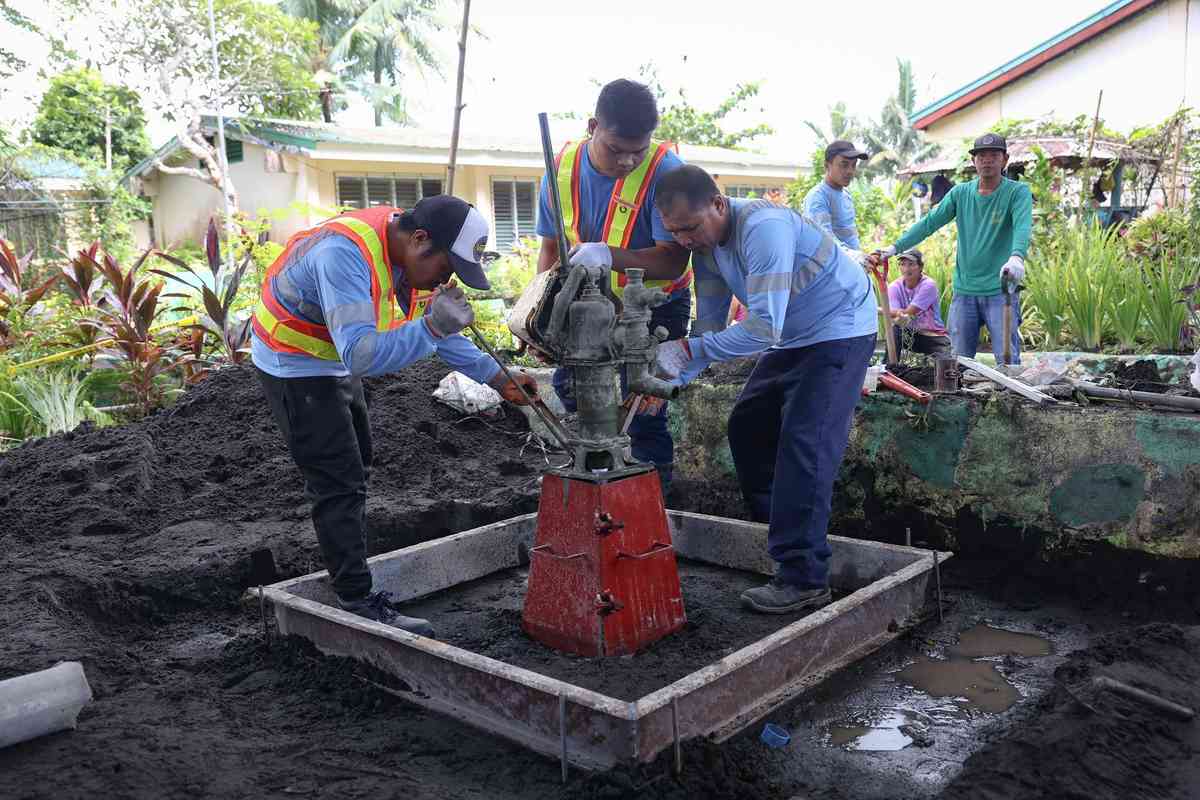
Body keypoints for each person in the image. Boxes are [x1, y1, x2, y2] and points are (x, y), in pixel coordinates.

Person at [251, 196, 539, 636]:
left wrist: (498, 377)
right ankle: (355, 599)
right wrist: (433, 326)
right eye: (446, 268)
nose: (444, 280)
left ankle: (348, 562)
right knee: (337, 479)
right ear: (421, 239)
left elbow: (434, 331)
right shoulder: (343, 256)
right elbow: (365, 355)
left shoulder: (408, 254)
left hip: (334, 356)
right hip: (294, 360)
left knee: (357, 462)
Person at [653, 165, 877, 614]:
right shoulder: (708, 250)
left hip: (840, 327)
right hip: (794, 336)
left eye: (690, 228)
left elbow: (759, 330)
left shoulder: (764, 228)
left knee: (805, 443)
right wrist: (665, 381)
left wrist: (682, 353)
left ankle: (804, 577)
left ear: (719, 204)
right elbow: (712, 330)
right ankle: (783, 534)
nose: (684, 241)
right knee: (748, 427)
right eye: (675, 232)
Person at [536, 78, 692, 487]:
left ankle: (654, 512)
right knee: (574, 393)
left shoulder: (666, 172)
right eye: (616, 149)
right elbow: (552, 249)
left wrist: (607, 254)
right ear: (593, 127)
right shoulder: (562, 167)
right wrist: (537, 314)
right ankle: (595, 493)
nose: (627, 161)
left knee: (644, 414)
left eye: (638, 151)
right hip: (587, 307)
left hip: (654, 306)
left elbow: (674, 261)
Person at [873, 132, 1032, 365]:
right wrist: (895, 247)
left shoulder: (1017, 192)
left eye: (994, 155)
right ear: (974, 161)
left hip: (1000, 291)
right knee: (956, 363)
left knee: (1006, 362)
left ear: (1004, 160)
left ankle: (1008, 401)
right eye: (981, 156)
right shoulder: (961, 193)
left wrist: (1016, 257)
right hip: (965, 291)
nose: (987, 160)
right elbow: (929, 223)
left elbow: (1022, 226)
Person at [803, 140, 870, 260]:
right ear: (827, 165)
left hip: (850, 269)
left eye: (853, 165)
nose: (850, 171)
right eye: (844, 165)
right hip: (830, 273)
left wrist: (861, 257)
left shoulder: (846, 195)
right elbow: (824, 240)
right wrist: (857, 257)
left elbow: (850, 237)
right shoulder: (818, 197)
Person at [887, 249, 951, 358]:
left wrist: (882, 310)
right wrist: (894, 313)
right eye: (903, 264)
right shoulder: (894, 287)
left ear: (920, 267)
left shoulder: (928, 285)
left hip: (933, 337)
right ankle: (889, 367)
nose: (906, 269)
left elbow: (909, 312)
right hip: (911, 335)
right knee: (895, 330)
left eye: (911, 264)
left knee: (945, 368)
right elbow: (897, 316)